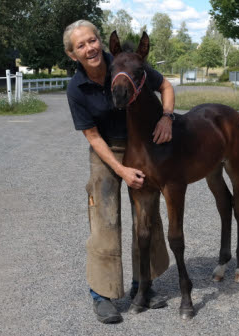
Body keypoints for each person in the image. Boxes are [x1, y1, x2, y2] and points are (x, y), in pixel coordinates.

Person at [64, 20, 175, 324]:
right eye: (81, 45)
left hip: (139, 144)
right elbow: (92, 136)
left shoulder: (125, 62)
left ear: (100, 41)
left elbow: (164, 85)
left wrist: (167, 118)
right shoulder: (77, 89)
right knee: (105, 215)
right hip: (108, 150)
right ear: (73, 54)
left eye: (92, 40)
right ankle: (102, 294)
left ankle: (145, 283)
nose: (89, 48)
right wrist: (121, 170)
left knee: (147, 213)